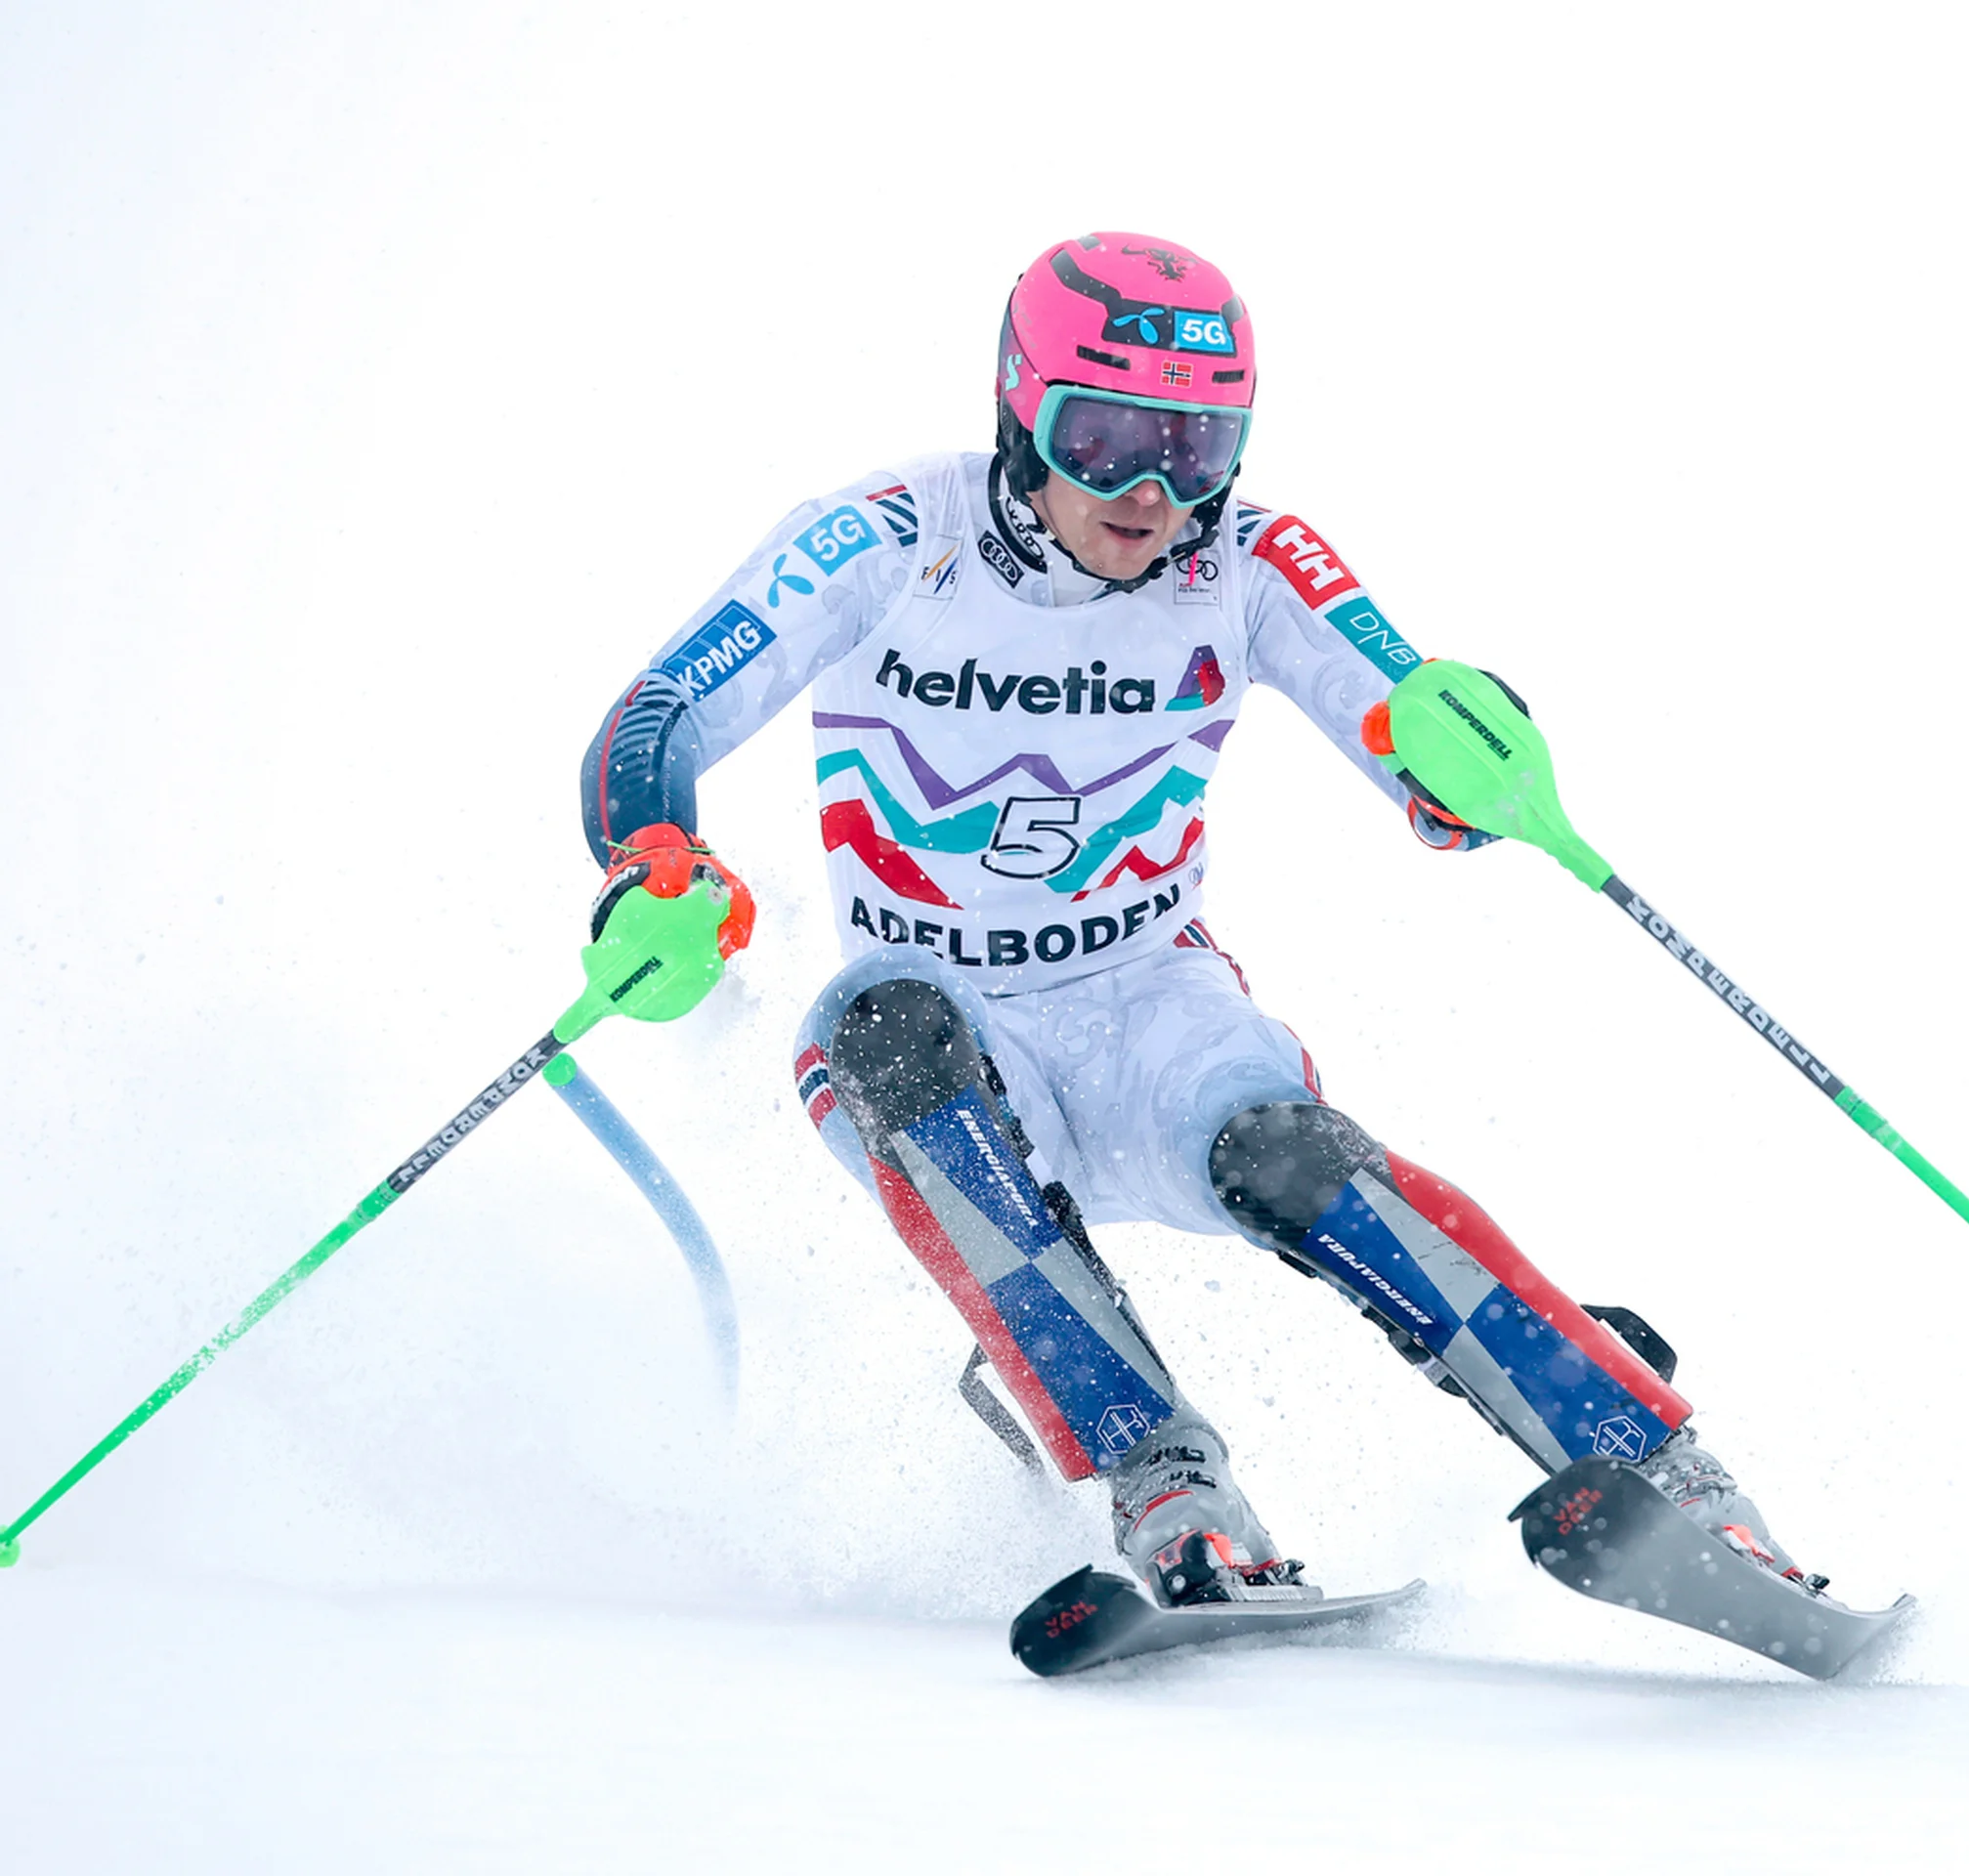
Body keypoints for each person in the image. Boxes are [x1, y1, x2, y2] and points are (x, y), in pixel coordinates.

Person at [578, 233, 1821, 1608]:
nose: (1152, 488)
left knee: (1285, 1158)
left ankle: (1673, 1477)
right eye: (1101, 435)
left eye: (1196, 441)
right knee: (878, 1030)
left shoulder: (1246, 558)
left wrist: (1462, 757)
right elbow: (661, 711)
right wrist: (657, 856)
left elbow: (1402, 719)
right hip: (938, 1025)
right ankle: (1172, 1489)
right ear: (1018, 407)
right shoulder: (889, 537)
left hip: (1145, 1007)